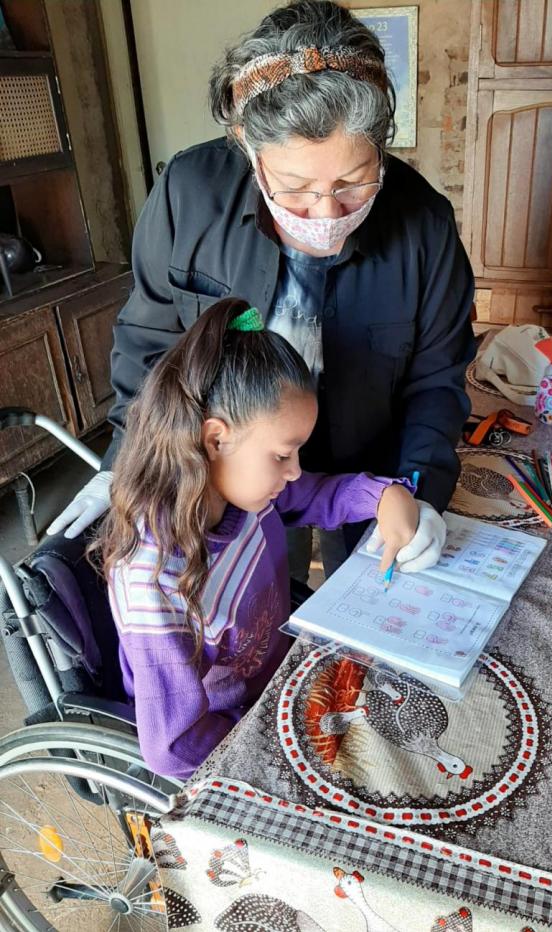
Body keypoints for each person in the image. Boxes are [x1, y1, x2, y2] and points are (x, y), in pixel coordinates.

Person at [50, 0, 475, 582]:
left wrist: (420, 487)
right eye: (297, 187)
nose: (326, 212)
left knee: (376, 595)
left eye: (354, 183)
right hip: (234, 473)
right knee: (264, 599)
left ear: (383, 146)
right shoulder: (188, 196)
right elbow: (151, 343)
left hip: (372, 470)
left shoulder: (424, 225)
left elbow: (436, 379)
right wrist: (127, 461)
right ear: (248, 146)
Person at [96, 298, 420, 779]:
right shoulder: (152, 579)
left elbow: (316, 494)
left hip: (284, 682)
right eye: (282, 455)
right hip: (241, 730)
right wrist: (273, 756)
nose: (293, 472)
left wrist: (385, 494)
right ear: (215, 439)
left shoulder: (240, 491)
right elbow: (175, 745)